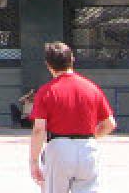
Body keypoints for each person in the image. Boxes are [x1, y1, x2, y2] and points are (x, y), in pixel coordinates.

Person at [28, 41, 116, 192]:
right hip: (87, 147)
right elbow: (109, 124)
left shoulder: (46, 91)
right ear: (72, 59)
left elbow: (39, 130)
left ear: (48, 65)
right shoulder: (91, 88)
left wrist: (34, 161)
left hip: (59, 147)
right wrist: (89, 138)